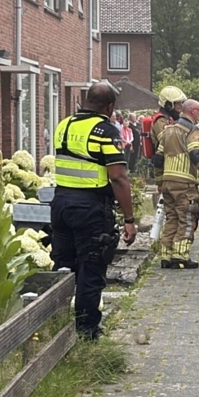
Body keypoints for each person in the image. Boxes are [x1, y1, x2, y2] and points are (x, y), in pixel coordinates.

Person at [50, 83, 137, 340]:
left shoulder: (64, 125)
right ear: (110, 107)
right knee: (91, 269)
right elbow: (118, 177)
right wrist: (129, 219)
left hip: (61, 204)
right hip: (90, 208)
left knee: (63, 267)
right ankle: (87, 334)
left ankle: (57, 326)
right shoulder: (105, 131)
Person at [156, 99, 199, 268]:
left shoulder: (167, 130)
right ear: (192, 111)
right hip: (184, 183)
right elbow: (196, 154)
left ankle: (166, 256)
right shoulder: (192, 131)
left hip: (168, 182)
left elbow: (158, 158)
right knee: (187, 219)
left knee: (172, 218)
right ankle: (180, 256)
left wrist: (159, 180)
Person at [151, 86, 187, 190]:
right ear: (168, 104)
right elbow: (167, 141)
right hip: (163, 164)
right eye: (177, 103)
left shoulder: (172, 119)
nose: (180, 106)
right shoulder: (160, 120)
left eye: (181, 103)